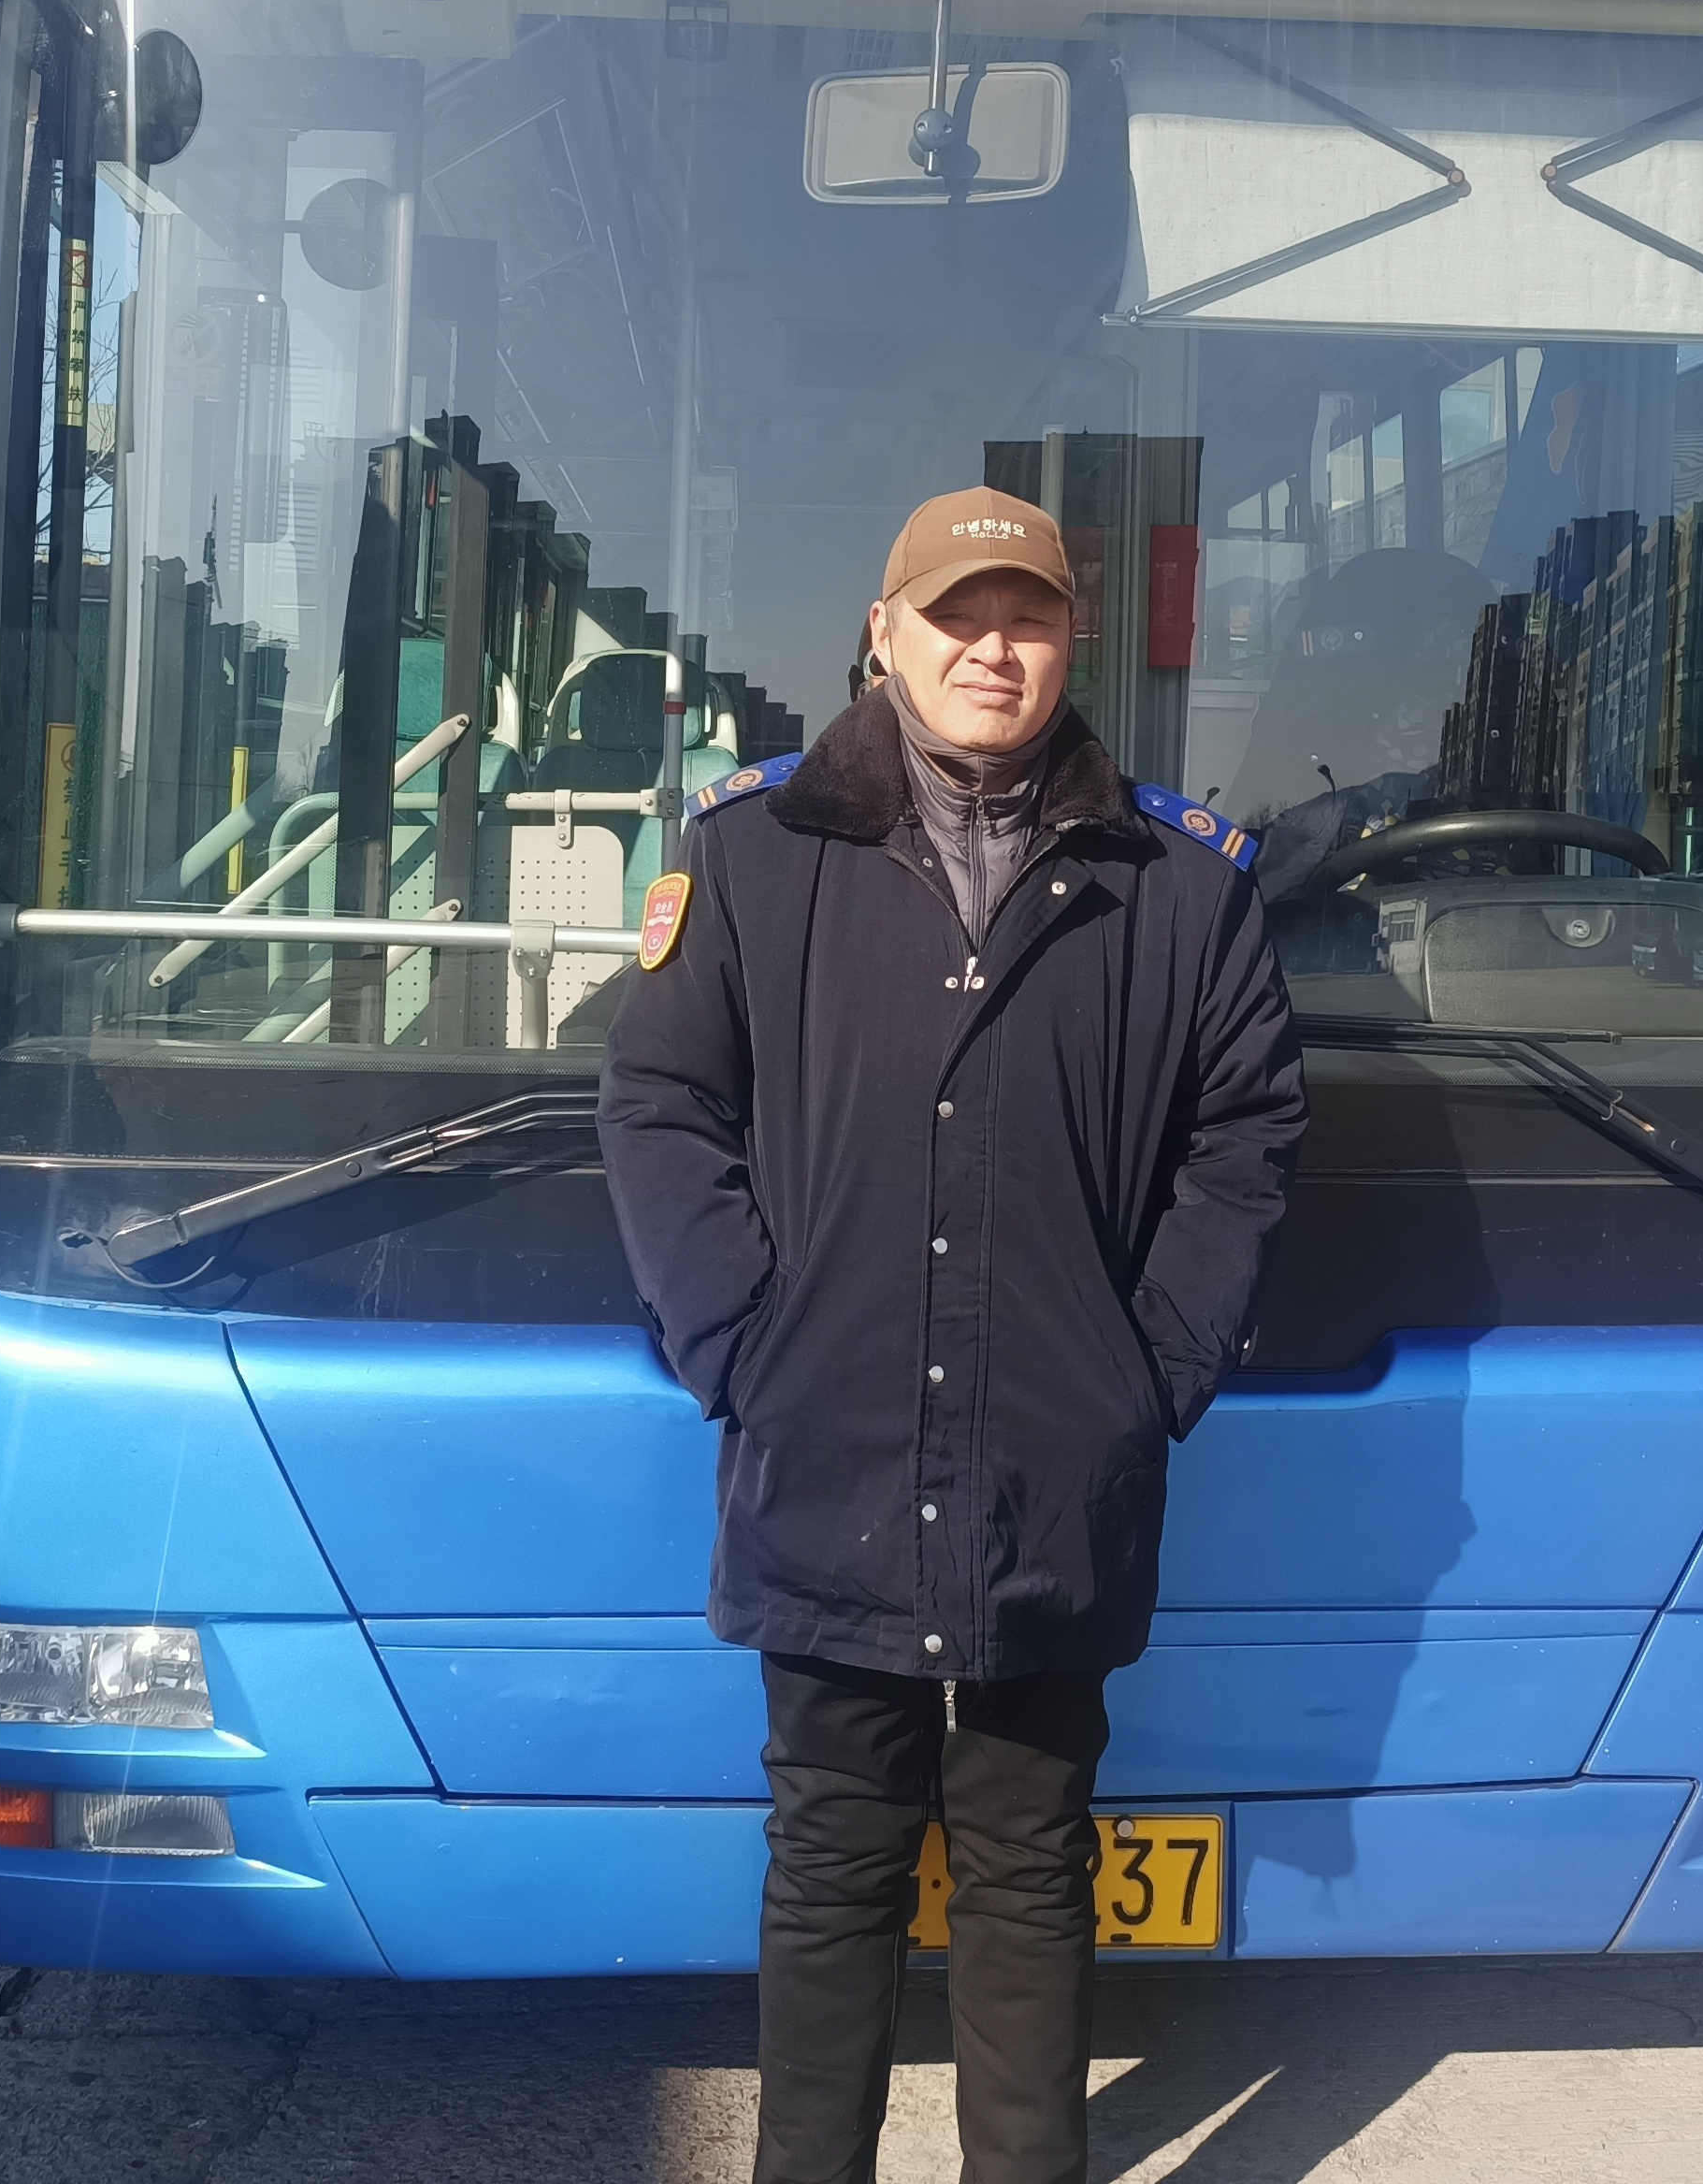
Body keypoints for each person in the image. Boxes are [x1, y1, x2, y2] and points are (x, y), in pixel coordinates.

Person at [599, 485, 1306, 2184]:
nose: (994, 649)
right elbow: (660, 1105)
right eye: (957, 616)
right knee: (831, 1866)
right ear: (885, 634)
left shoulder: (1178, 884)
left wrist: (1151, 1375)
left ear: (1073, 642)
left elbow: (1248, 1136)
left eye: (1030, 618)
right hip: (823, 1451)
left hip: (1058, 1472)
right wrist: (740, 1346)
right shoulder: (751, 854)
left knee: (1029, 1864)